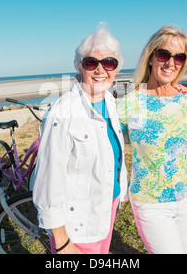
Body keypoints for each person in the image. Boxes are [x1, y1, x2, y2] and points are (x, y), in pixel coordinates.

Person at [32, 23, 128, 254]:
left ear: (117, 67)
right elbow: (47, 180)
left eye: (109, 63)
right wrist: (62, 242)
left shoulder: (110, 102)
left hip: (106, 208)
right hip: (78, 223)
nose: (100, 70)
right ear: (79, 66)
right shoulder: (63, 112)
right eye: (91, 63)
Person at [117, 26, 187, 253]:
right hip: (151, 201)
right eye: (164, 55)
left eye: (179, 57)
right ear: (151, 57)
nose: (170, 62)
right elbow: (104, 140)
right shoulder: (129, 100)